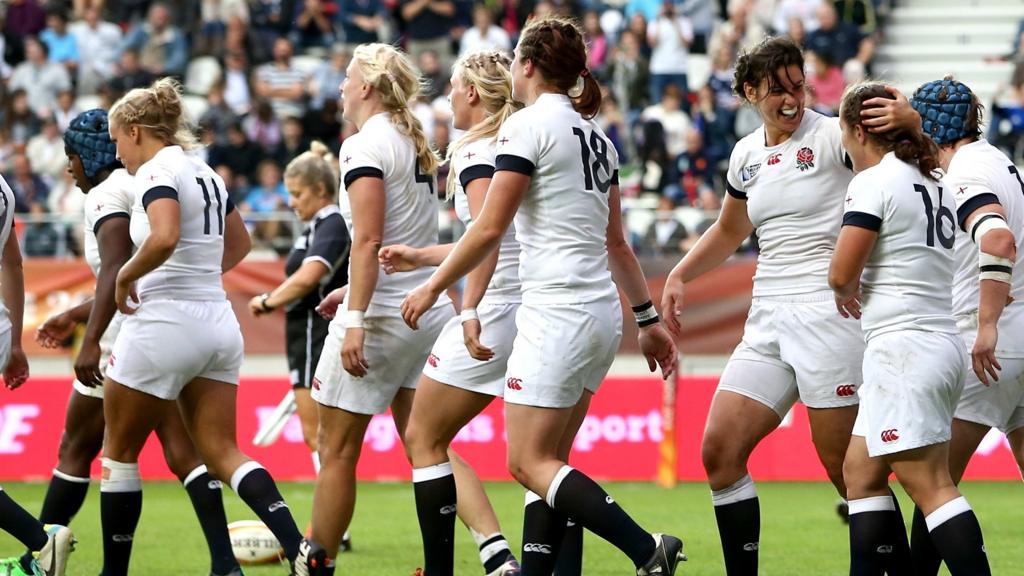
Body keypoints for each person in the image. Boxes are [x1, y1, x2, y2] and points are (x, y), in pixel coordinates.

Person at [399, 16, 684, 576]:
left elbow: (486, 229)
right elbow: (618, 245)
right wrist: (647, 320)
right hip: (601, 311)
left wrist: (433, 286)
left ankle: (647, 550)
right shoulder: (598, 136)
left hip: (556, 310)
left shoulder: (525, 128)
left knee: (528, 463)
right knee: (551, 463)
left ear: (527, 66)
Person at [660, 36, 915, 575]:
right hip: (767, 319)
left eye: (799, 85)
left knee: (847, 470)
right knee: (719, 452)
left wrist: (909, 118)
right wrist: (680, 273)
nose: (793, 99)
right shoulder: (746, 154)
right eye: (778, 90)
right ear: (751, 91)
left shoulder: (834, 136)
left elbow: (900, 172)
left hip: (832, 315)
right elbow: (731, 227)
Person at [100, 78, 303, 576]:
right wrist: (197, 272)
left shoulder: (154, 171)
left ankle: (113, 573)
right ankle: (303, 550)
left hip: (165, 319)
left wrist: (126, 273)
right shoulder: (206, 171)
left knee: (119, 454)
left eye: (117, 140)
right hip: (217, 321)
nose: (118, 152)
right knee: (223, 453)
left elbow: (165, 235)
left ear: (133, 130)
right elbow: (239, 245)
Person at [31, 109, 241, 576]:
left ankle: (38, 555)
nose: (68, 167)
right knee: (183, 452)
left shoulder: (107, 193)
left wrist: (88, 341)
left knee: (79, 446)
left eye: (71, 156)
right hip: (163, 330)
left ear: (90, 153)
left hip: (127, 344)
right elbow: (132, 277)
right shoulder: (142, 181)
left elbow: (114, 269)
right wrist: (74, 314)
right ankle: (225, 562)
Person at [294, 43, 456, 576]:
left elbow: (366, 242)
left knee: (336, 449)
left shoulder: (362, 144)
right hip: (424, 311)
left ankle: (317, 562)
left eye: (347, 77)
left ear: (366, 87)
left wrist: (355, 319)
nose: (340, 85)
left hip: (383, 316)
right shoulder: (414, 139)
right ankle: (493, 548)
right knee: (429, 447)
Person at [829, 81, 991, 576]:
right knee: (860, 471)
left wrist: (843, 288)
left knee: (931, 485)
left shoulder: (875, 182)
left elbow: (841, 273)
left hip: (904, 348)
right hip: (937, 340)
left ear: (859, 130)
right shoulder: (935, 178)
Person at [377, 49, 526, 576]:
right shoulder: (508, 143)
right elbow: (482, 237)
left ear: (471, 94)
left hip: (499, 307)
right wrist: (420, 255)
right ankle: (501, 558)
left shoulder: (476, 150)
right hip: (531, 308)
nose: (446, 97)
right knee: (539, 458)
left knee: (421, 438)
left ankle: (443, 568)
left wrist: (467, 309)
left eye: (453, 86)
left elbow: (490, 235)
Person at [906, 78, 1024, 575]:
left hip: (991, 344)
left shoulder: (964, 174)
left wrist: (988, 324)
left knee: (932, 482)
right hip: (1021, 333)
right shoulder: (999, 160)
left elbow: (997, 240)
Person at [248, 141, 350, 471]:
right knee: (320, 437)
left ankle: (332, 524)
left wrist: (268, 300)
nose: (291, 202)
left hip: (313, 332)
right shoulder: (317, 226)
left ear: (320, 189)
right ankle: (332, 522)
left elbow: (310, 277)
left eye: (297, 194)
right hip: (303, 336)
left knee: (318, 436)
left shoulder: (331, 223)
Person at [0, 173, 75, 576]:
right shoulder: (4, 189)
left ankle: (44, 543)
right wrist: (12, 344)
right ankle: (45, 543)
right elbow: (12, 262)